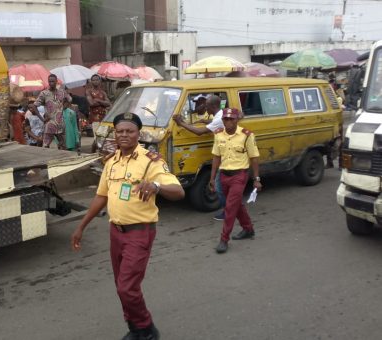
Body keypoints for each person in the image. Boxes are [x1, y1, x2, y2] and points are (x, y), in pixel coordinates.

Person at [71, 113, 184, 340]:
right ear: (115, 133)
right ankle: (135, 328)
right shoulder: (111, 162)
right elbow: (100, 197)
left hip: (139, 232)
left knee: (126, 287)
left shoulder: (150, 161)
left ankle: (147, 328)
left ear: (138, 134)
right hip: (116, 233)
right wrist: (81, 226)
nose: (124, 135)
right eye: (120, 131)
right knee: (121, 285)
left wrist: (156, 186)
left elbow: (178, 191)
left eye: (129, 131)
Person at [209, 109, 262, 254]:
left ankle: (224, 240)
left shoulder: (246, 135)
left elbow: (254, 158)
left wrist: (256, 179)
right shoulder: (219, 134)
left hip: (240, 175)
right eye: (226, 119)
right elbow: (216, 157)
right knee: (236, 204)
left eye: (231, 119)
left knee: (230, 208)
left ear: (237, 120)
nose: (228, 122)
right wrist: (212, 178)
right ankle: (248, 228)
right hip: (223, 175)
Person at [173, 95, 227, 220]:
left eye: (206, 106)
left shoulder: (219, 119)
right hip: (222, 151)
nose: (204, 108)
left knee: (218, 186)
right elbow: (213, 123)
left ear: (213, 106)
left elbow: (199, 132)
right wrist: (204, 121)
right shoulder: (220, 114)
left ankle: (228, 211)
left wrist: (181, 123)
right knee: (223, 183)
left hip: (225, 153)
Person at [35, 74, 71, 149]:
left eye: (53, 81)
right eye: (49, 81)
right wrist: (42, 119)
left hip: (60, 124)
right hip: (49, 124)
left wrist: (63, 108)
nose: (51, 83)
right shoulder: (44, 93)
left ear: (56, 81)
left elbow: (69, 99)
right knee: (45, 146)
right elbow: (34, 106)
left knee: (63, 146)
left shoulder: (62, 92)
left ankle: (62, 159)